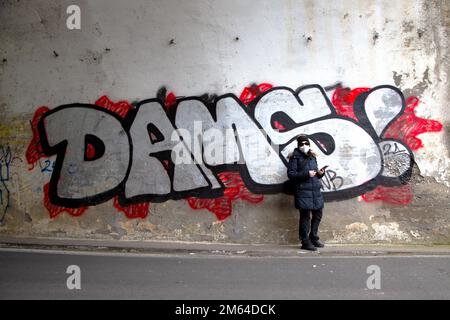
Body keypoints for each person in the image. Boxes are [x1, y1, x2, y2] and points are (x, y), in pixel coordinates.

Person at [287, 134, 326, 251]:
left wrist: (320, 173)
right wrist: (306, 174)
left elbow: (316, 174)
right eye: (302, 144)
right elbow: (291, 174)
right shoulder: (294, 157)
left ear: (309, 144)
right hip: (303, 191)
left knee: (318, 214)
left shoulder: (312, 156)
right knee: (305, 217)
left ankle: (313, 237)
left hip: (315, 190)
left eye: (306, 143)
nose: (304, 146)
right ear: (298, 145)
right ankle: (305, 241)